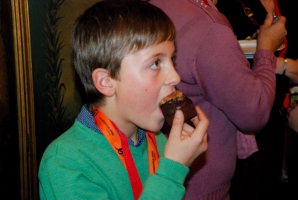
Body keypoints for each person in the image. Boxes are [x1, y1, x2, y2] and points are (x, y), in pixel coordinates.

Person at [38, 0, 209, 199]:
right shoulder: (67, 163)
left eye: (171, 60)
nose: (175, 77)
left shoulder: (159, 141)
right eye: (155, 63)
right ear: (107, 82)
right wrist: (171, 172)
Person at [149, 0, 286, 199]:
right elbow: (254, 112)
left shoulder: (149, 7)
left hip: (156, 176)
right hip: (200, 186)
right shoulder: (206, 26)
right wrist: (266, 51)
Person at [216, 0, 298, 199]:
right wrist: (284, 65)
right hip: (241, 130)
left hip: (282, 122)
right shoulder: (220, 9)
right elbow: (222, 66)